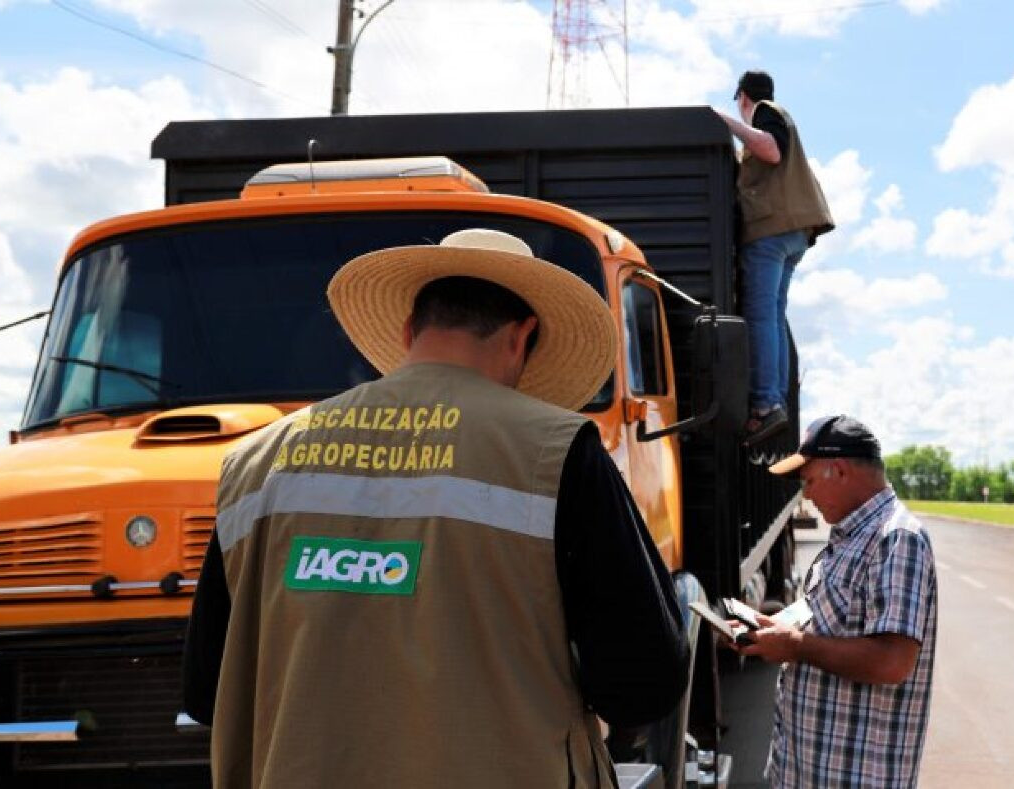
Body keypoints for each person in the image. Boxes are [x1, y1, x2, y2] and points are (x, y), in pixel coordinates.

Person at [182, 228, 690, 788]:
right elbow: (643, 680)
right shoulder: (555, 451)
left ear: (407, 332)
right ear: (523, 337)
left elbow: (209, 690)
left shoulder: (256, 462)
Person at [734, 415, 937, 788]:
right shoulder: (850, 537)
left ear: (839, 470)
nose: (806, 495)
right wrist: (773, 629)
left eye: (809, 481)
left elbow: (892, 662)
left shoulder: (897, 538)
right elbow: (825, 619)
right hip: (808, 771)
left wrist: (794, 646)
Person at [718, 70, 835, 445]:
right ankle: (775, 402)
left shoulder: (767, 112)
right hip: (795, 231)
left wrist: (725, 123)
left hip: (771, 231)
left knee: (761, 314)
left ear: (743, 98)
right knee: (773, 315)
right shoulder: (779, 114)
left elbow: (770, 149)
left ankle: (767, 404)